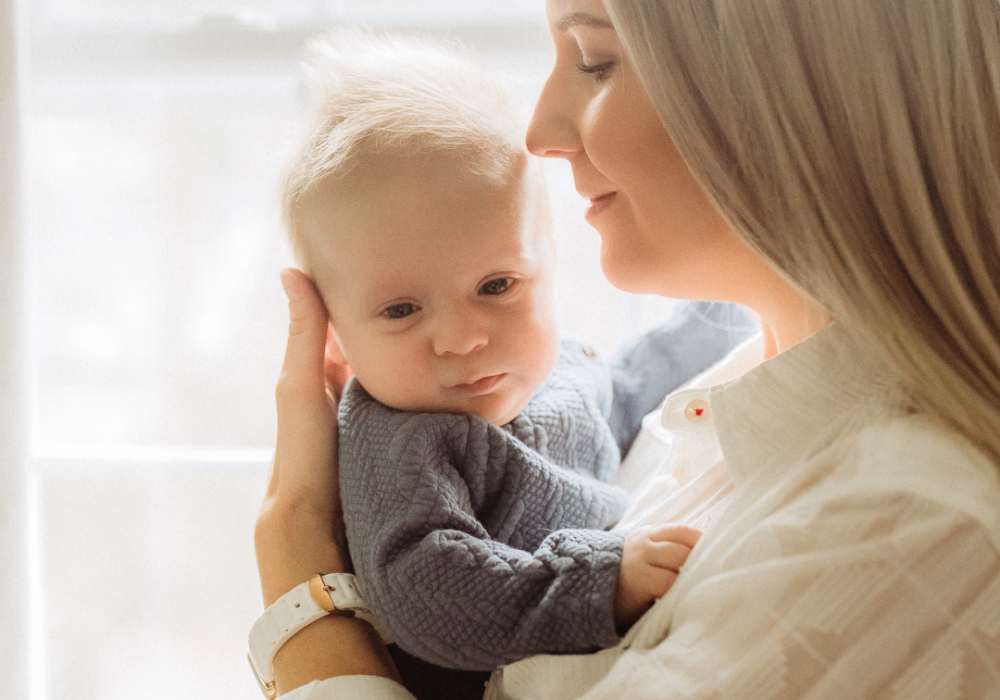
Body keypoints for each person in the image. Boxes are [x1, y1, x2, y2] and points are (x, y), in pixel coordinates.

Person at [254, 0, 1000, 698]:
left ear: (789, 80)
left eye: (597, 60)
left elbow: (618, 384)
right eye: (400, 309)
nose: (539, 131)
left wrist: (294, 556)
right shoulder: (727, 402)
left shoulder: (903, 524)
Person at [272, 31, 747, 700]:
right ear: (335, 336)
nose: (465, 338)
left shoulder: (561, 371)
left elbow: (629, 393)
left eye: (497, 286)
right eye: (403, 310)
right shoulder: (402, 441)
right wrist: (600, 582)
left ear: (549, 263)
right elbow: (430, 590)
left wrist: (729, 313)